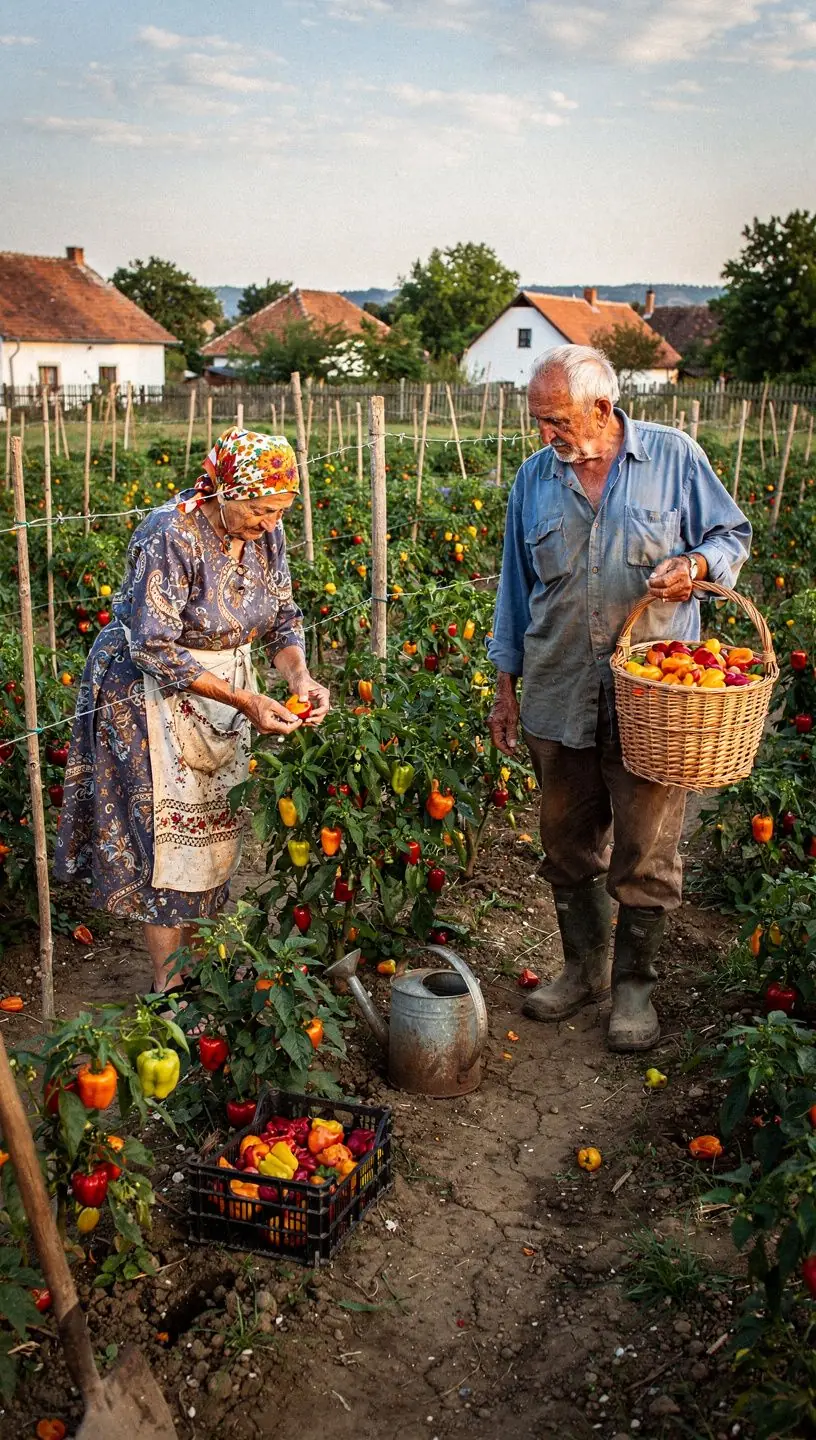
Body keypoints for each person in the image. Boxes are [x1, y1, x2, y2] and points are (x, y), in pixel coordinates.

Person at [487, 346, 751, 1051]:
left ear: (602, 408)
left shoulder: (674, 457)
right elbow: (514, 589)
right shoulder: (534, 479)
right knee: (565, 843)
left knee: (647, 850)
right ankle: (583, 971)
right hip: (557, 688)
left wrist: (697, 563)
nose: (546, 433)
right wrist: (505, 688)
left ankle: (634, 985)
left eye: (557, 419)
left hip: (657, 702)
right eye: (539, 420)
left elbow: (731, 534)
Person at [54, 427, 330, 995]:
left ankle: (199, 969)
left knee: (212, 830)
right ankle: (169, 986)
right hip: (148, 695)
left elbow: (283, 620)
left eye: (280, 511)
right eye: (261, 510)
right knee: (167, 844)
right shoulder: (171, 533)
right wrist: (244, 700)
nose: (270, 523)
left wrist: (299, 676)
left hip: (221, 694)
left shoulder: (266, 535)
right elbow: (153, 646)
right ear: (226, 491)